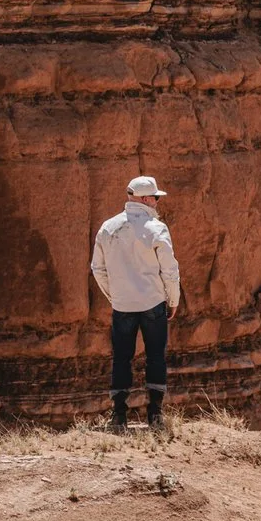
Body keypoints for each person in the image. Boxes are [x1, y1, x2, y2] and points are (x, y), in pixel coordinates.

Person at [90, 174, 181, 431]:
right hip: (153, 303)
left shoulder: (108, 228)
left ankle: (119, 416)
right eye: (155, 198)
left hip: (122, 307)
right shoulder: (156, 229)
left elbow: (98, 269)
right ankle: (155, 416)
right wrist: (172, 299)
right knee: (155, 358)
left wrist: (114, 296)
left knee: (121, 359)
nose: (157, 202)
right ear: (143, 198)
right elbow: (170, 270)